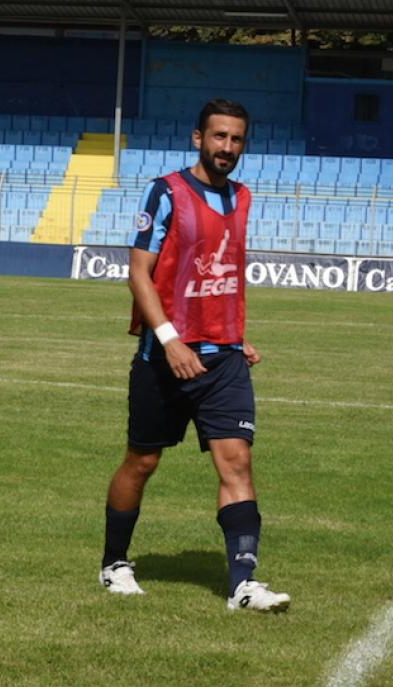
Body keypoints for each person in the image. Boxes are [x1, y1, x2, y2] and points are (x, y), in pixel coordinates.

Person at [98, 99, 290, 613]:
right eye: (219, 136)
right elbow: (138, 272)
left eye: (236, 139)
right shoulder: (166, 192)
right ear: (198, 138)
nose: (227, 147)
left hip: (223, 360)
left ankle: (242, 584)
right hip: (163, 357)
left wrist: (229, 333)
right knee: (142, 461)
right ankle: (114, 562)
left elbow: (218, 274)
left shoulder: (243, 198)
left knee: (238, 463)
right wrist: (170, 338)